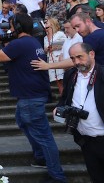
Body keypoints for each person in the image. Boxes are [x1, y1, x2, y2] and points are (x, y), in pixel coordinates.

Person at [0, 13, 66, 182]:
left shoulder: (20, 44)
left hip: (30, 97)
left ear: (18, 27)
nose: (9, 30)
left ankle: (57, 175)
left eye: (11, 26)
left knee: (44, 137)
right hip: (31, 95)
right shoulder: (33, 41)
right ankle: (41, 158)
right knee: (23, 122)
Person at [56, 43, 104, 183]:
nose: (76, 62)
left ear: (92, 54)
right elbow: (65, 98)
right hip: (85, 141)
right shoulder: (71, 75)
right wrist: (59, 108)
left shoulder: (102, 74)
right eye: (72, 58)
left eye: (79, 57)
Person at [44, 18, 67, 94]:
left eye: (47, 22)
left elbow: (65, 44)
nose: (45, 24)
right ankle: (62, 99)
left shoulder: (60, 34)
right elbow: (45, 49)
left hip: (59, 58)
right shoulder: (45, 37)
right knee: (58, 82)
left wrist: (54, 47)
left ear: (52, 23)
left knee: (63, 80)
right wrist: (47, 49)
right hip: (51, 59)